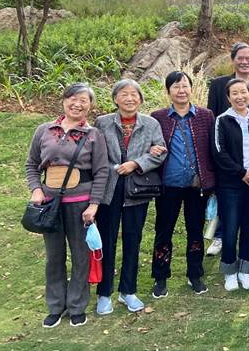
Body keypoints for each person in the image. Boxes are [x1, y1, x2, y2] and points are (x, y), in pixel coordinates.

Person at [25, 83, 109, 328]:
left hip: (80, 204)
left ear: (90, 106)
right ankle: (55, 306)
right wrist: (36, 189)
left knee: (81, 256)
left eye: (83, 100)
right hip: (49, 204)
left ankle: (76, 306)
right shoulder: (44, 130)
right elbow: (31, 164)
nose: (77, 104)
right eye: (73, 98)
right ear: (64, 101)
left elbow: (102, 171)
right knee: (54, 257)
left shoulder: (93, 135)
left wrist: (94, 204)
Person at [94, 80, 167, 315]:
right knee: (107, 240)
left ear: (141, 99)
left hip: (137, 189)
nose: (129, 98)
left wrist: (136, 163)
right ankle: (104, 293)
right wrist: (115, 168)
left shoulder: (151, 123)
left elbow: (160, 152)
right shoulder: (103, 122)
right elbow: (94, 153)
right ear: (115, 99)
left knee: (133, 240)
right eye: (124, 94)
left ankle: (128, 291)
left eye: (134, 94)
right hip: (109, 189)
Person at [150, 71, 216, 298]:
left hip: (197, 185)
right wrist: (151, 149)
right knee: (163, 231)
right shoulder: (158, 117)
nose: (181, 90)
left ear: (191, 88)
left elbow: (212, 148)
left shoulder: (205, 116)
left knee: (195, 230)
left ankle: (195, 274)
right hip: (168, 185)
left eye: (185, 85)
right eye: (176, 86)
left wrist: (212, 180)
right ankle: (160, 276)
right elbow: (149, 144)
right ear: (168, 91)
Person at [206, 42, 249, 257]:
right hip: (229, 150)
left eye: (248, 58)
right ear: (233, 60)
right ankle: (219, 236)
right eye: (240, 58)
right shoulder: (219, 85)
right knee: (227, 200)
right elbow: (212, 116)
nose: (244, 62)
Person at [213, 78, 249, 292]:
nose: (240, 97)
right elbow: (219, 152)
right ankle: (230, 271)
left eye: (243, 92)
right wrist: (241, 172)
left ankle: (246, 270)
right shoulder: (222, 120)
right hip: (230, 185)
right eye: (234, 93)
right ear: (228, 97)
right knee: (229, 228)